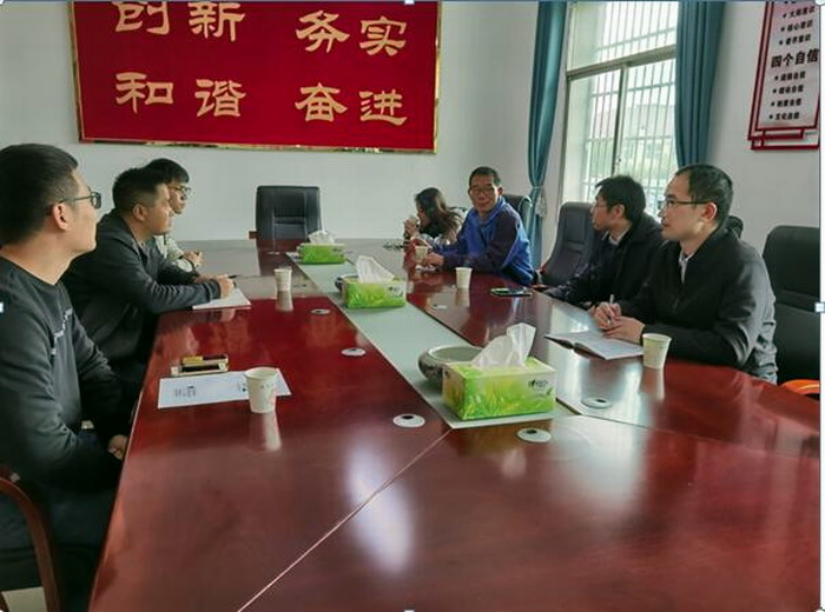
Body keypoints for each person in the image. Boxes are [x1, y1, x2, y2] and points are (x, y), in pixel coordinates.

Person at [0, 143, 133, 611]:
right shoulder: (10, 309)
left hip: (53, 465)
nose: (96, 212)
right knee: (142, 527)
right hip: (19, 495)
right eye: (90, 199)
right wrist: (121, 470)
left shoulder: (46, 285)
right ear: (60, 214)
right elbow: (41, 448)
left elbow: (93, 369)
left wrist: (117, 430)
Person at [594, 164, 777, 382]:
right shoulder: (668, 252)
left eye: (672, 203)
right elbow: (647, 303)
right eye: (664, 202)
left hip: (744, 385)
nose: (662, 212)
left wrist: (646, 334)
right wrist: (617, 310)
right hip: (683, 369)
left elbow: (731, 347)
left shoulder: (743, 264)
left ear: (707, 212)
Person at [63, 166, 233, 385]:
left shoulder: (142, 236)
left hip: (131, 344)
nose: (171, 210)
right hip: (101, 361)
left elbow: (163, 270)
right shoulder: (109, 243)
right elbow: (153, 297)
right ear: (140, 212)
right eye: (165, 203)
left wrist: (194, 279)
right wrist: (213, 289)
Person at [545, 175, 663, 309]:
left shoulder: (656, 244)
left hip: (626, 319)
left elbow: (647, 303)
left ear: (617, 211)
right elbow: (585, 281)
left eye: (597, 204)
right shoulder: (606, 237)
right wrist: (551, 295)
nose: (591, 211)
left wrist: (608, 309)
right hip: (604, 315)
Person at [423, 166, 533, 286]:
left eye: (488, 190)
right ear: (469, 193)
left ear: (499, 191)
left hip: (513, 286)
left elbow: (491, 262)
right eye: (476, 190)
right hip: (482, 278)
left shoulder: (508, 219)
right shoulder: (473, 214)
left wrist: (445, 261)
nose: (481, 196)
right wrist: (431, 250)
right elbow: (460, 247)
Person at [145, 158, 203, 272]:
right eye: (180, 189)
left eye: (186, 190)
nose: (184, 196)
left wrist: (180, 256)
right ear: (161, 188)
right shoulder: (148, 220)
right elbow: (156, 272)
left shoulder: (161, 220)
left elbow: (166, 243)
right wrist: (188, 263)